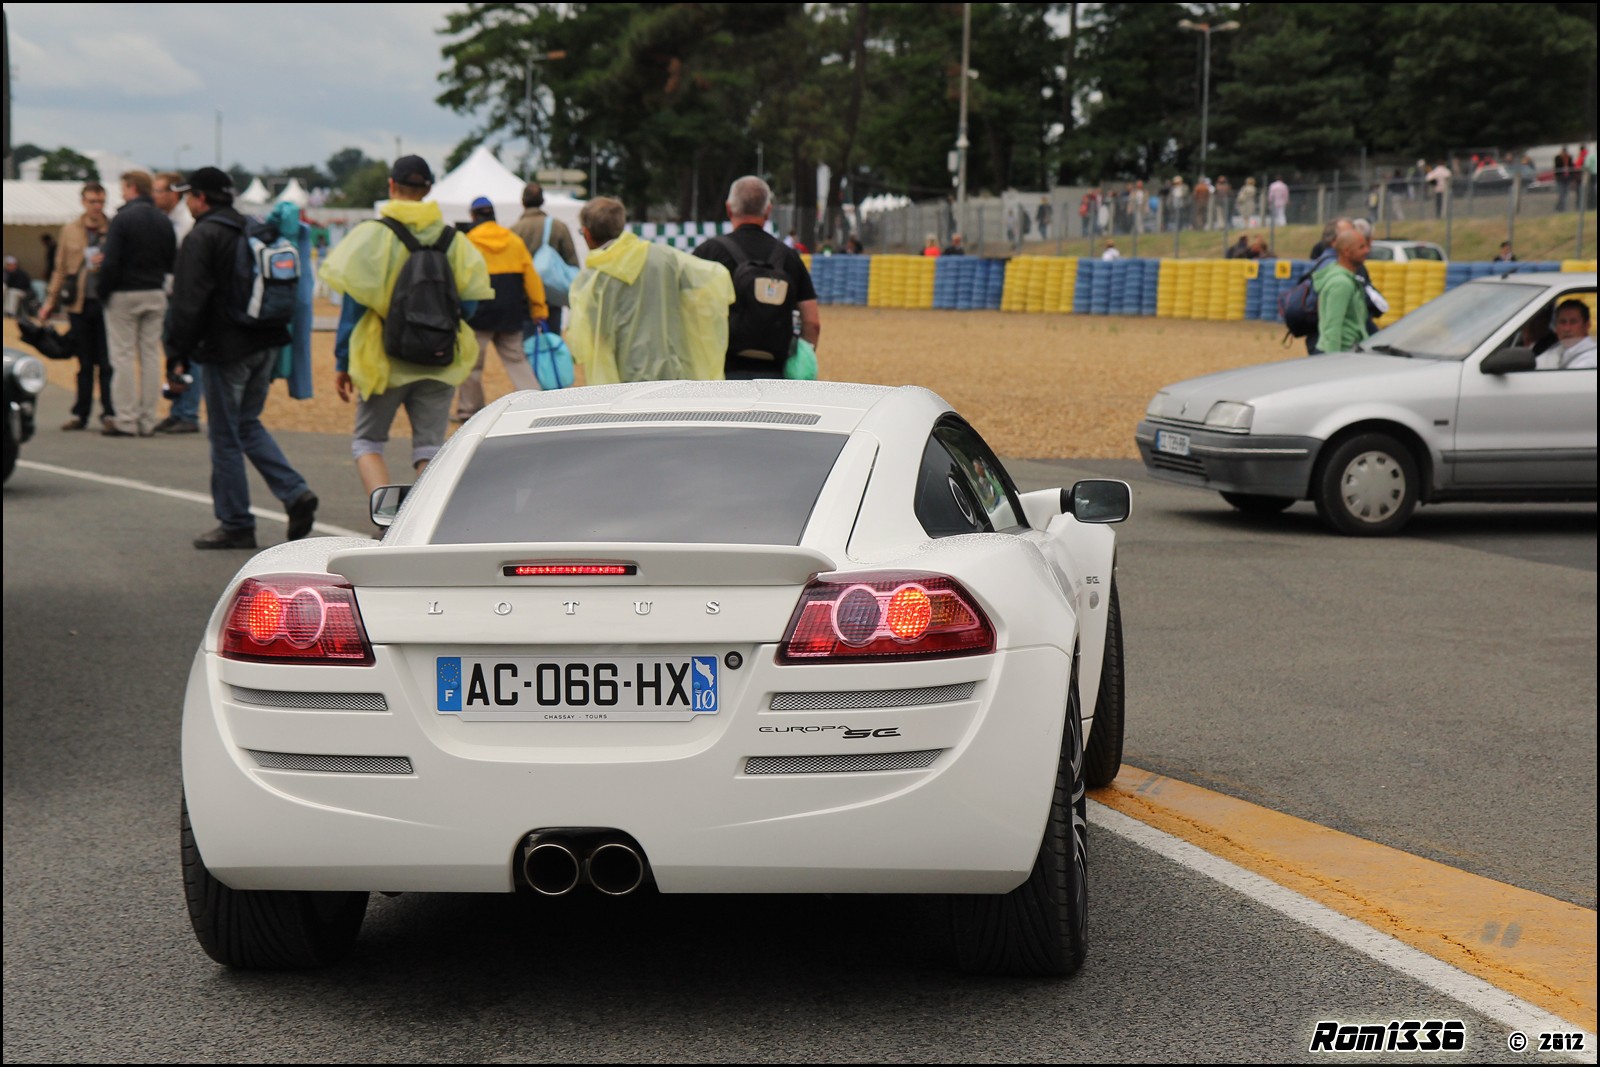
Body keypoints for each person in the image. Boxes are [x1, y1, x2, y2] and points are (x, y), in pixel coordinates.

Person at [319, 156, 494, 498]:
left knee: (368, 442)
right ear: (428, 189)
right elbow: (470, 306)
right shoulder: (453, 239)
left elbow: (352, 309)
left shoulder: (371, 236)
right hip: (440, 357)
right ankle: (419, 526)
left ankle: (387, 522)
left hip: (383, 357)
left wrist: (343, 362)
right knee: (429, 448)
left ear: (391, 186)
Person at [164, 167, 319, 549]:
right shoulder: (252, 227)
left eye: (189, 195)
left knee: (225, 436)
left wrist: (177, 354)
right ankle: (294, 492)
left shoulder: (203, 236)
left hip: (226, 347)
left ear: (201, 198)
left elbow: (188, 303)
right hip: (266, 342)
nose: (187, 201)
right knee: (247, 423)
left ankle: (236, 522)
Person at [569, 195, 733, 384]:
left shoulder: (593, 278)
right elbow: (713, 277)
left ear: (587, 234)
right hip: (672, 369)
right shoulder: (663, 256)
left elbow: (591, 338)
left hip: (623, 378)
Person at [692, 176, 819, 380]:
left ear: (729, 209)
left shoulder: (708, 252)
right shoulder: (789, 257)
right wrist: (800, 365)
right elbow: (812, 323)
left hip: (721, 371)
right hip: (776, 372)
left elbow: (687, 310)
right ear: (768, 211)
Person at [98, 170, 176, 437]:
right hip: (155, 290)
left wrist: (102, 291)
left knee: (123, 356)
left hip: (124, 291)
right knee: (151, 355)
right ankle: (147, 418)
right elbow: (170, 259)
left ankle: (126, 418)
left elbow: (111, 261)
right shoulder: (163, 221)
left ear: (131, 188)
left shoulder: (123, 219)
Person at [455, 196, 548, 420]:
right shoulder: (514, 241)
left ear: (473, 216)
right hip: (510, 309)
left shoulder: (467, 242)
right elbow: (532, 279)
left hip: (479, 311)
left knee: (472, 365)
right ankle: (535, 403)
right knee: (517, 360)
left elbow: (459, 279)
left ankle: (469, 409)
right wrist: (539, 310)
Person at [40, 182, 115, 431]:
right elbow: (60, 267)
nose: (97, 206)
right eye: (93, 201)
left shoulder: (113, 229)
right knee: (83, 362)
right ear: (83, 202)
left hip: (105, 303)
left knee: (106, 362)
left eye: (101, 201)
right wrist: (50, 302)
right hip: (78, 304)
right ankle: (80, 413)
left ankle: (109, 412)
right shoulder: (70, 230)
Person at [153, 171, 202, 434]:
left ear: (174, 193)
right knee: (174, 355)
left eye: (159, 191)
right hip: (171, 295)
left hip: (183, 297)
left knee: (189, 355)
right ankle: (178, 409)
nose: (154, 196)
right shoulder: (168, 220)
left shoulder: (185, 222)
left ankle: (188, 412)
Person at [508, 181, 579, 329]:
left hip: (525, 297)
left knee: (528, 346)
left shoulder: (514, 231)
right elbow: (573, 263)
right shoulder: (559, 226)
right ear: (543, 201)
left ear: (523, 202)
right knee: (553, 344)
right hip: (552, 294)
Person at [1312, 229, 1371, 356]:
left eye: (1366, 246)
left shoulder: (1346, 278)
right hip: (1340, 354)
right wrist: (1334, 364)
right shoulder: (1341, 284)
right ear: (1346, 252)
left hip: (1348, 353)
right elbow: (1332, 327)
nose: (1367, 251)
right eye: (1361, 247)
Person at [1535, 299, 1597, 370]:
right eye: (1562, 322)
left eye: (1573, 322)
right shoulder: (1556, 350)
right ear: (1556, 326)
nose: (1567, 329)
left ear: (1587, 325)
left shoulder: (1592, 356)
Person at [1553, 146, 1575, 212]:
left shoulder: (1569, 158)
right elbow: (1557, 166)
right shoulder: (1558, 158)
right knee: (1561, 193)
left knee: (1565, 193)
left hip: (1567, 178)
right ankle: (1561, 208)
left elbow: (1571, 167)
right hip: (1560, 178)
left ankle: (1559, 206)